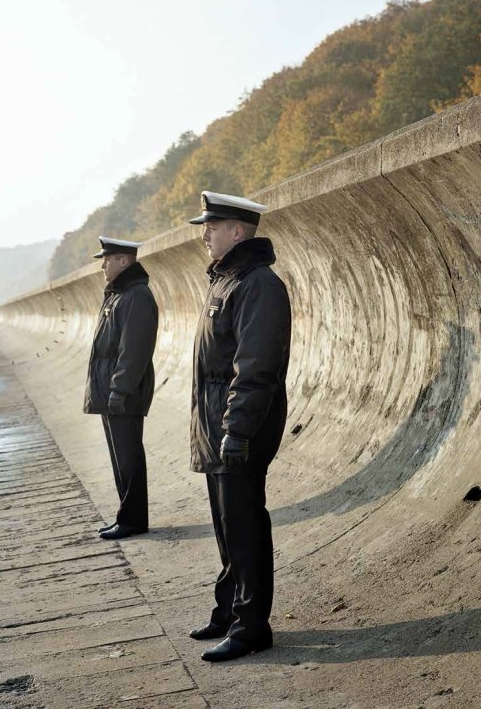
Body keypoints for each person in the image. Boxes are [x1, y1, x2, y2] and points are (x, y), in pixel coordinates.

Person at [186, 191, 292, 662]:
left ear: (237, 231)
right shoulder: (227, 280)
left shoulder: (258, 285)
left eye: (213, 225)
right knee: (226, 525)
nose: (204, 234)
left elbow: (255, 367)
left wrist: (238, 429)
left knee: (245, 524)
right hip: (216, 422)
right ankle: (229, 609)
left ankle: (252, 627)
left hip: (239, 425)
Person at [82, 236, 159, 540]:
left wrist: (119, 390)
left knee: (129, 458)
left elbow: (134, 350)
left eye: (108, 259)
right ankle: (126, 517)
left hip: (123, 393)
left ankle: (134, 520)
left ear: (125, 261)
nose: (103, 265)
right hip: (111, 392)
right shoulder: (118, 294)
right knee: (119, 458)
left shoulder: (136, 296)